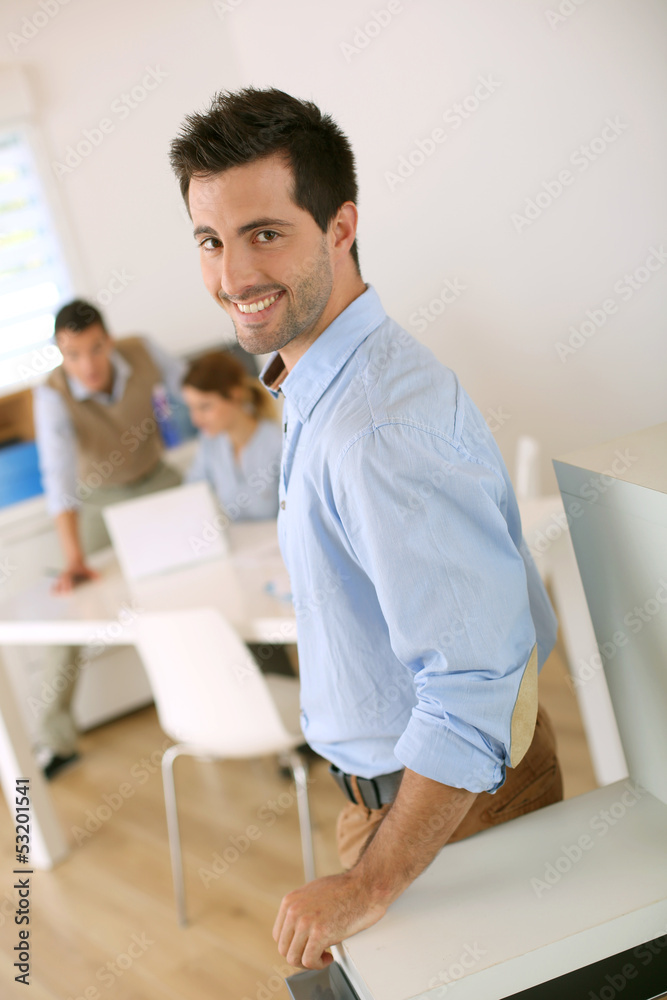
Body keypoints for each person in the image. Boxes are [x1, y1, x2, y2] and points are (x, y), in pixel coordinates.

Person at [169, 87, 563, 971]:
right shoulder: (321, 384)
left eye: (265, 232)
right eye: (210, 240)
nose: (232, 276)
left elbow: (472, 686)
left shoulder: (374, 426)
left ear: (340, 226)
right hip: (403, 796)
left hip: (450, 802)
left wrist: (365, 884)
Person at [33, 299, 185, 778]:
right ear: (61, 354)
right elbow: (58, 481)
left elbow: (195, 393)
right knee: (70, 604)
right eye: (72, 355)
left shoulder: (143, 352)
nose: (87, 365)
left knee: (219, 565)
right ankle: (55, 739)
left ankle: (275, 692)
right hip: (97, 498)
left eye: (95, 350)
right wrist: (74, 559)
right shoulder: (52, 394)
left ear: (109, 339)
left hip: (156, 479)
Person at [181, 349, 281, 520]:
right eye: (192, 408)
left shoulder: (278, 443)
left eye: (205, 407)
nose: (196, 420)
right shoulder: (209, 443)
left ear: (234, 395)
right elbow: (191, 497)